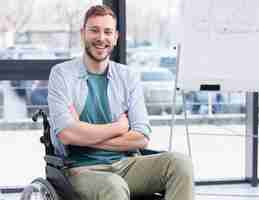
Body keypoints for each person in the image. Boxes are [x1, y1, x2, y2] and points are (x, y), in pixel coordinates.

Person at [48, 5, 194, 200]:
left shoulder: (127, 77)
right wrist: (119, 127)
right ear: (83, 34)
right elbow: (67, 134)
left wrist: (84, 134)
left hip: (125, 165)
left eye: (107, 31)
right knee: (113, 186)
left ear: (115, 37)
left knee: (180, 163)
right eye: (94, 30)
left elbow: (141, 137)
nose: (101, 38)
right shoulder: (61, 74)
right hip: (81, 170)